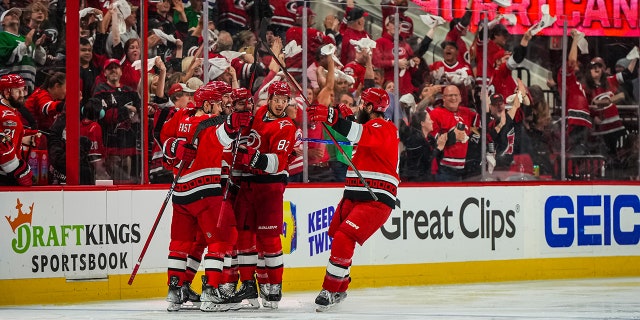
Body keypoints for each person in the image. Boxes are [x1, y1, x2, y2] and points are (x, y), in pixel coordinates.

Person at [160, 82, 251, 312]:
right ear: (209, 104)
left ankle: (174, 291)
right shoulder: (210, 123)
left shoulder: (182, 117)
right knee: (218, 241)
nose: (224, 107)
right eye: (221, 103)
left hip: (181, 194)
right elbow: (222, 132)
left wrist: (174, 147)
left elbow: (164, 139)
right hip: (205, 194)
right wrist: (233, 124)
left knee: (179, 245)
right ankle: (211, 291)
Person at [307, 87, 399, 311]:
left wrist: (332, 116)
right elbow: (356, 133)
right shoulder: (371, 127)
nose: (359, 108)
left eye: (362, 104)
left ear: (369, 107)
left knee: (343, 237)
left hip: (375, 198)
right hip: (354, 194)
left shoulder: (383, 126)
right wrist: (342, 118)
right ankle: (340, 286)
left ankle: (330, 288)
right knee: (335, 233)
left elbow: (357, 133)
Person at [232, 80, 297, 309]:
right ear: (268, 100)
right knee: (244, 236)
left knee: (269, 239)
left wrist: (252, 157)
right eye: (277, 100)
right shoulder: (259, 113)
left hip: (270, 187)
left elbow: (278, 162)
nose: (280, 104)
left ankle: (274, 286)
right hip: (248, 185)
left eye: (284, 100)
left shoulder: (287, 126)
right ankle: (249, 284)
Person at [429, 85, 479, 181]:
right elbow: (436, 142)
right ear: (443, 98)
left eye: (456, 95)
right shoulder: (435, 114)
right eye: (450, 95)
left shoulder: (467, 112)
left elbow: (482, 124)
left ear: (460, 97)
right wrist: (453, 136)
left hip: (465, 167)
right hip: (444, 168)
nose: (453, 98)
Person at [0, 75, 32, 186]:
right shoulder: (8, 116)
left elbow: (7, 136)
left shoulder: (8, 109)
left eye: (23, 90)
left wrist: (24, 137)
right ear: (7, 93)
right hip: (4, 176)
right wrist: (18, 170)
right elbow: (2, 145)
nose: (22, 95)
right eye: (18, 91)